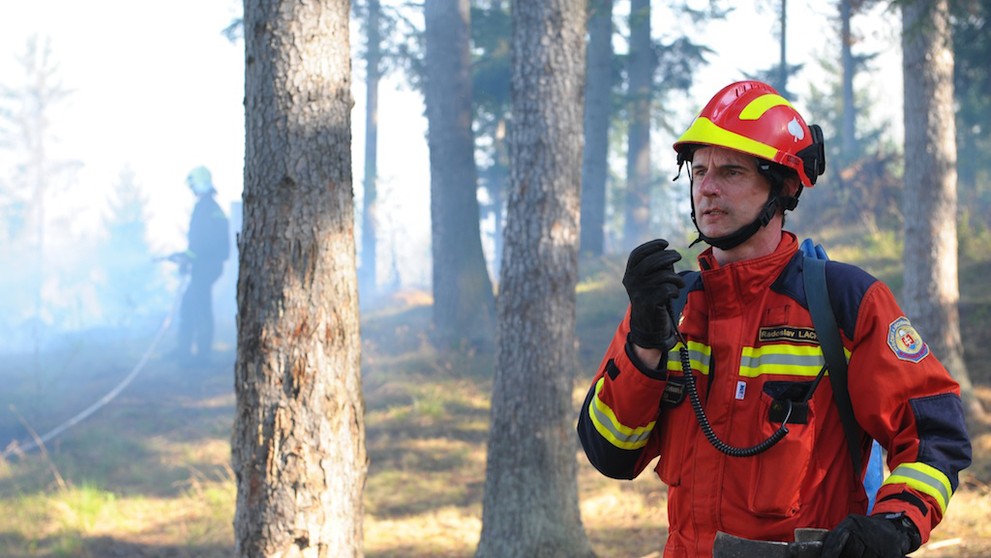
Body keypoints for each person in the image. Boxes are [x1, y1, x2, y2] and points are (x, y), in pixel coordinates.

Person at [577, 80, 971, 558]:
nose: (708, 187)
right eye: (698, 170)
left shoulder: (844, 301)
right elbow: (612, 454)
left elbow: (933, 434)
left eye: (731, 171)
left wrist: (896, 523)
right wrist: (643, 346)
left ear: (782, 186)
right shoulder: (669, 307)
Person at [168, 166, 230, 364]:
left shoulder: (205, 208)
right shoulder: (211, 207)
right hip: (206, 265)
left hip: (206, 266)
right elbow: (200, 243)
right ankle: (183, 351)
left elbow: (202, 242)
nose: (192, 190)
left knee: (200, 308)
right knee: (189, 305)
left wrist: (188, 257)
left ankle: (202, 356)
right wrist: (185, 256)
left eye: (193, 186)